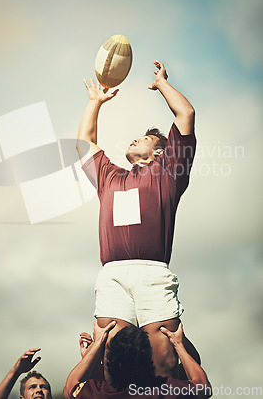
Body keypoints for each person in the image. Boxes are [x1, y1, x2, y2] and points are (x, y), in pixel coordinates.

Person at [76, 60, 199, 377]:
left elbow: (185, 114)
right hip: (112, 274)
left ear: (161, 151)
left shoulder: (170, 171)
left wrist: (161, 85)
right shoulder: (109, 175)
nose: (134, 139)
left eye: (143, 138)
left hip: (152, 272)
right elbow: (84, 145)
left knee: (163, 361)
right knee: (112, 360)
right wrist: (94, 103)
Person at [63, 320, 211, 398]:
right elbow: (202, 386)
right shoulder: (165, 390)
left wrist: (97, 345)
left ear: (109, 362)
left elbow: (70, 389)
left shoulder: (100, 393)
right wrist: (178, 344)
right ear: (149, 360)